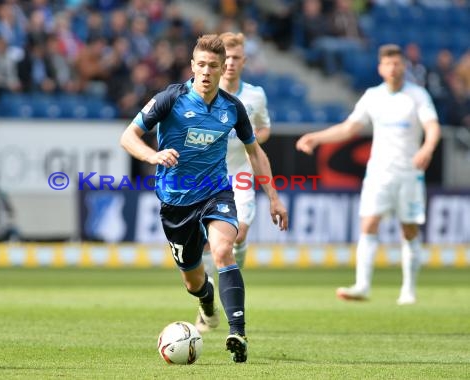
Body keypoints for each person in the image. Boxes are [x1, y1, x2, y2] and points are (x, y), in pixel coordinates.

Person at [120, 34, 288, 363]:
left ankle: (238, 332)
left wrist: (274, 197)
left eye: (214, 65)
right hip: (176, 201)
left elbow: (256, 153)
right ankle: (206, 301)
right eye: (202, 65)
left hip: (215, 191)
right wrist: (152, 156)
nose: (208, 71)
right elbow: (128, 137)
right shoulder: (170, 99)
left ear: (223, 66)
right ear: (192, 67)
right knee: (193, 280)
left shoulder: (232, 107)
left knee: (225, 249)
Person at [296, 44, 441, 305]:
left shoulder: (417, 95)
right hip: (378, 172)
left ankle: (408, 289)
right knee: (369, 224)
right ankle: (362, 285)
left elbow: (432, 126)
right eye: (388, 64)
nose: (393, 68)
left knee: (408, 229)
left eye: (397, 64)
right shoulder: (373, 96)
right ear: (380, 68)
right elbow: (349, 128)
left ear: (404, 67)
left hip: (409, 172)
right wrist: (317, 137)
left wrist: (427, 149)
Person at [198, 32, 272, 332]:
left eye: (236, 58)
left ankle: (229, 280)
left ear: (243, 61)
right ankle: (207, 302)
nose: (230, 63)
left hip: (240, 176)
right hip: (207, 178)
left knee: (236, 236)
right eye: (225, 58)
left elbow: (264, 129)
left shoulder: (255, 96)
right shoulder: (201, 94)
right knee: (206, 246)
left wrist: (249, 138)